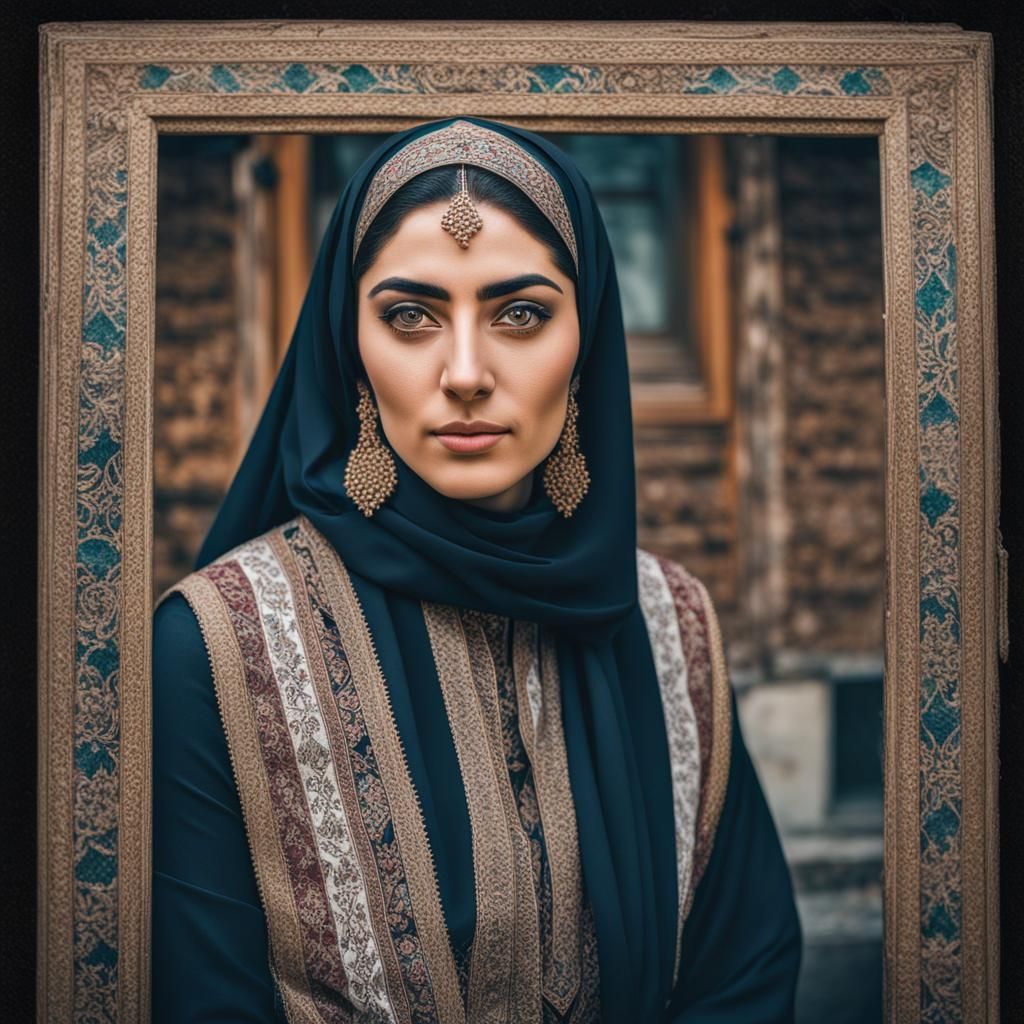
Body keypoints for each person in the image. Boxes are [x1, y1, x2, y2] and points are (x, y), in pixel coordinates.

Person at [151, 116, 802, 1023]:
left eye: (521, 314)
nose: (465, 372)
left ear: (588, 343)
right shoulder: (215, 646)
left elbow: (743, 976)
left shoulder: (671, 626)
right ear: (351, 348)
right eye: (409, 316)